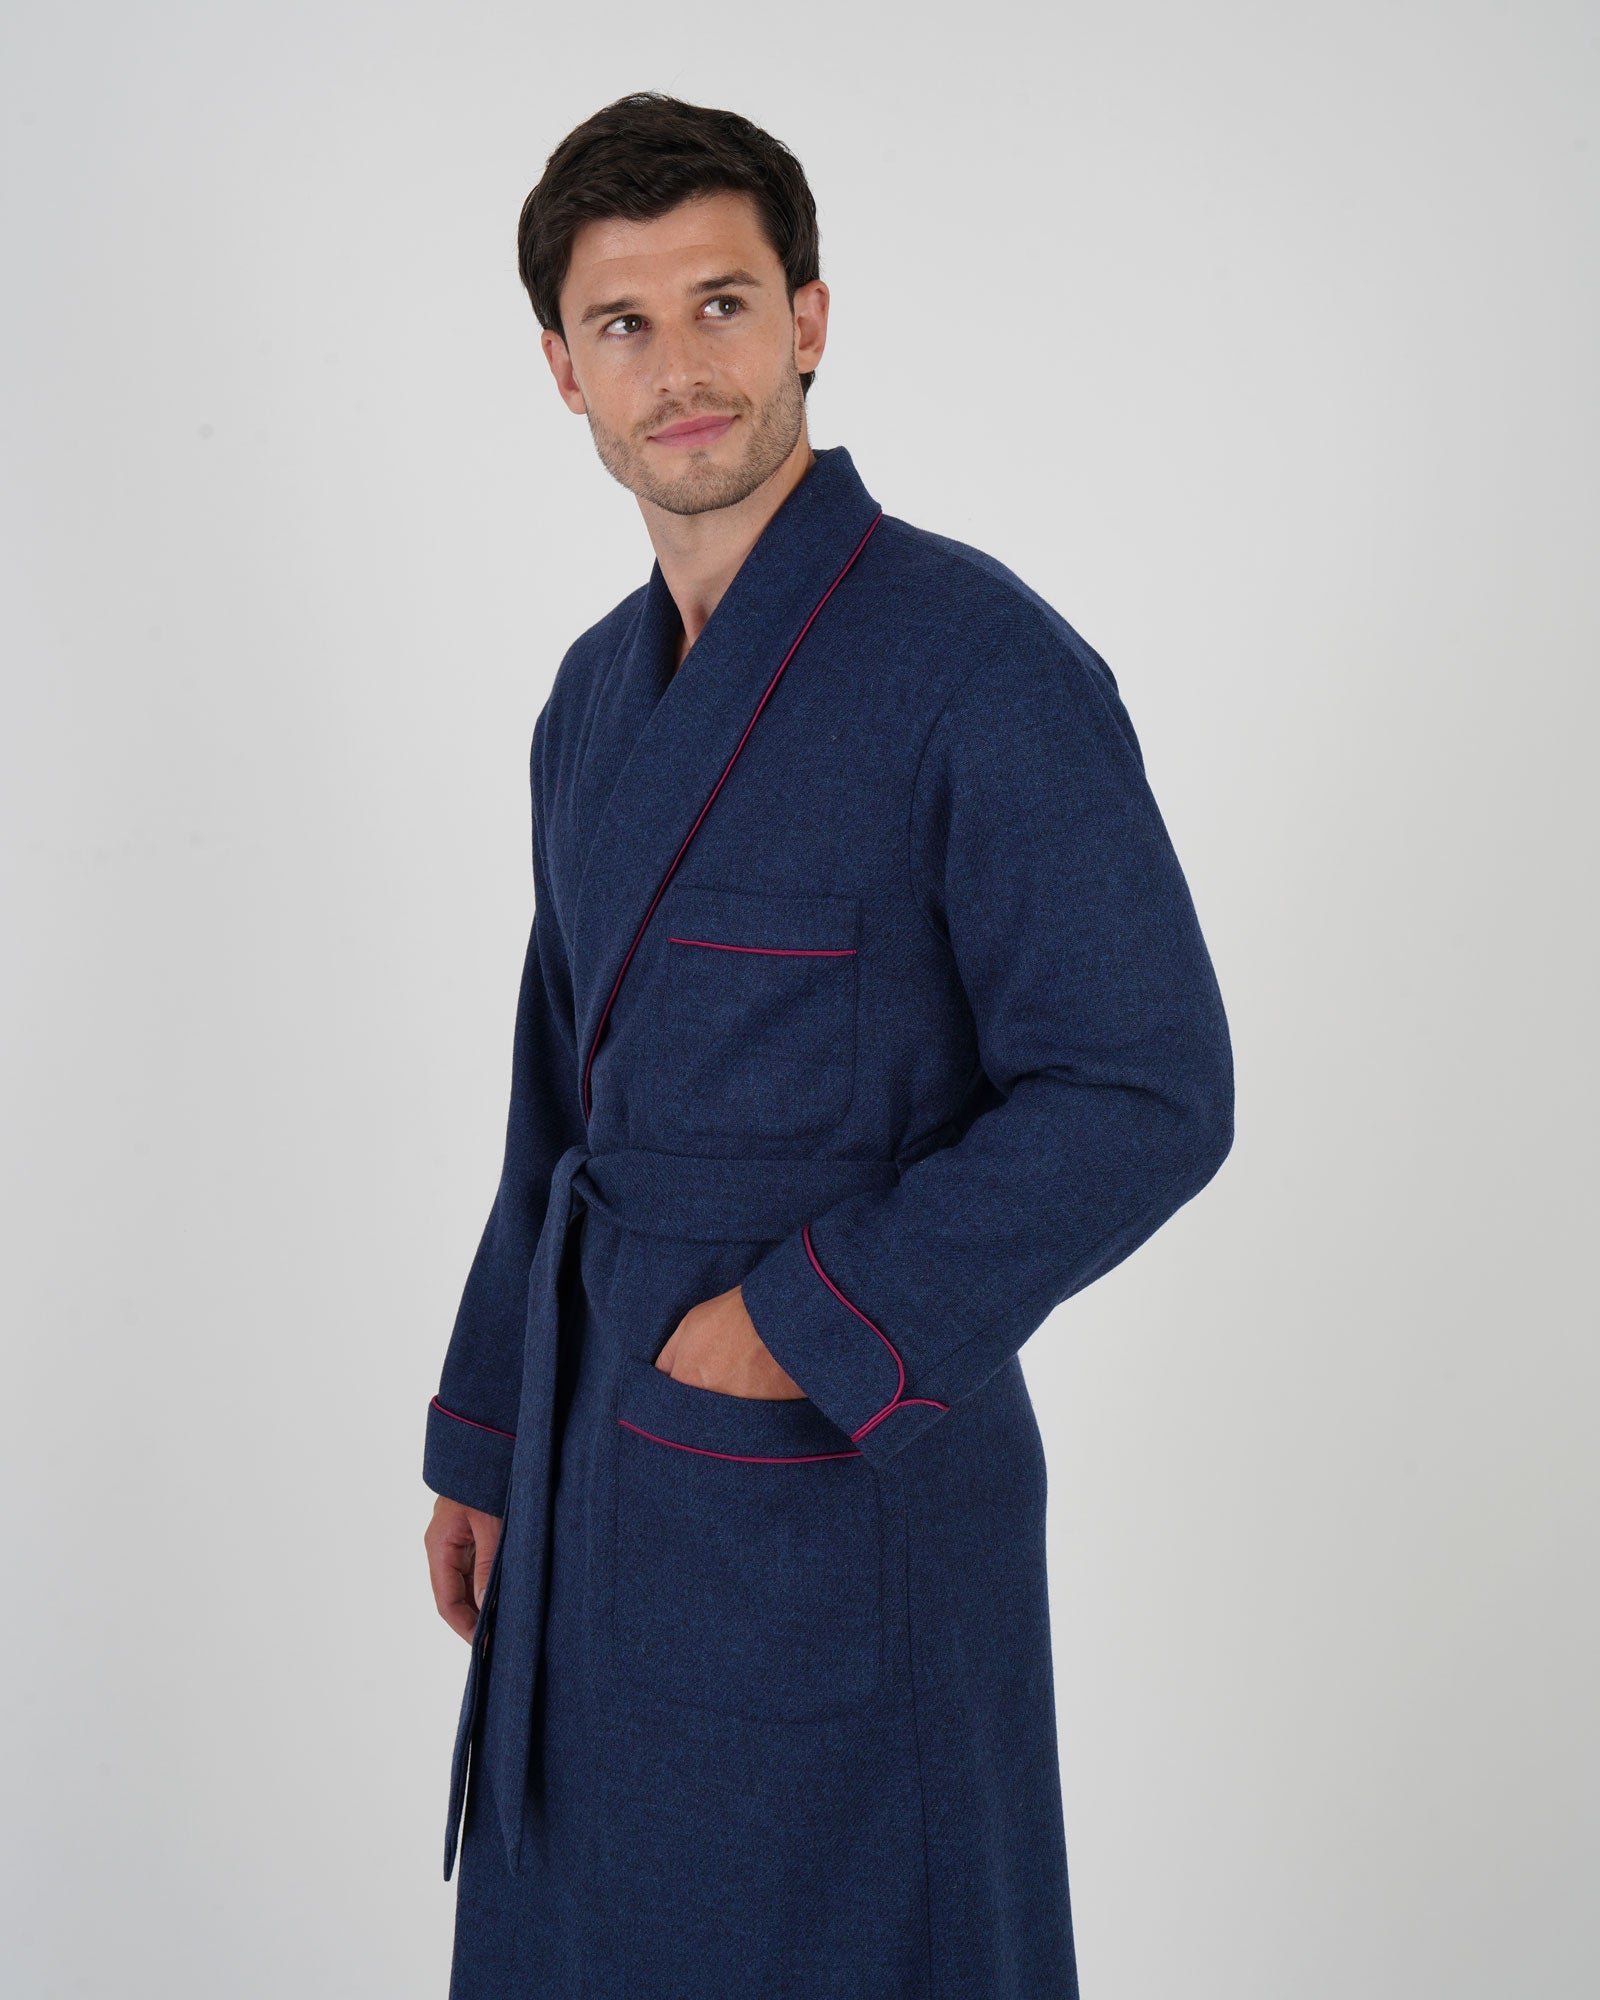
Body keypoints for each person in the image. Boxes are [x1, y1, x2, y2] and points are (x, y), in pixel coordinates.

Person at [420, 88, 1234, 2000]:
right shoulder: (590, 700)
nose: (680, 369)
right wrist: (487, 1433)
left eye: (722, 304)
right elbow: (552, 1098)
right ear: (562, 370)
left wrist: (797, 1324)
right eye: (624, 324)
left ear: (807, 319)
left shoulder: (979, 664)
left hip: (836, 1468)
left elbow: (1146, 1087)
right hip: (597, 1449)